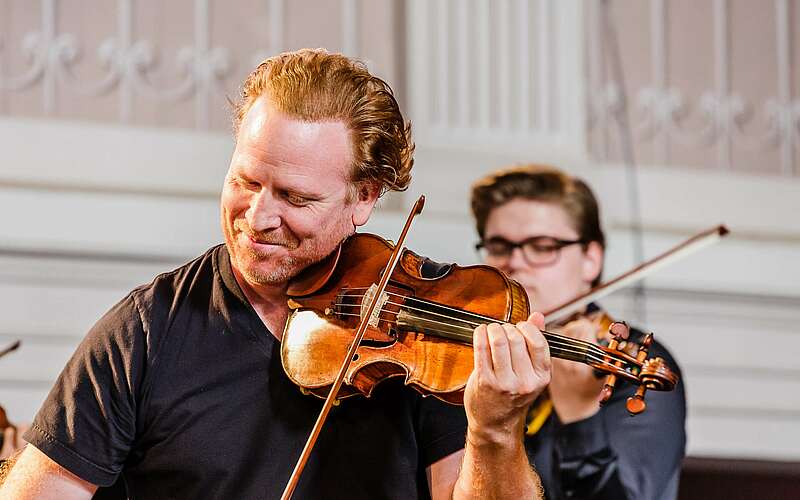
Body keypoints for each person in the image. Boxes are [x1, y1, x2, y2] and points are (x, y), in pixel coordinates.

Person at [0, 49, 552, 499]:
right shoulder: (146, 329)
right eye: (245, 181)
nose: (259, 217)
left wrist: (496, 431)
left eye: (295, 197)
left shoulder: (428, 330)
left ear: (363, 198)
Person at [470, 165, 687, 500]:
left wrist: (581, 416)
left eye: (542, 247)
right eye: (499, 247)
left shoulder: (635, 366)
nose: (515, 262)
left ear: (591, 259)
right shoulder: (478, 357)